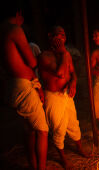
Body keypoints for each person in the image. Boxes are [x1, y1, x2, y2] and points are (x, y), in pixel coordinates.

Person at [0, 5, 48, 170]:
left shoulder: (0, 31)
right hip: (22, 85)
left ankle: (34, 166)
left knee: (30, 131)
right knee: (42, 130)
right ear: (18, 13)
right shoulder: (14, 30)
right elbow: (32, 62)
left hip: (11, 85)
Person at [38, 26, 89, 169]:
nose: (61, 38)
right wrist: (65, 54)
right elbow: (60, 73)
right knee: (59, 129)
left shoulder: (66, 55)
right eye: (57, 35)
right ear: (50, 37)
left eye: (63, 35)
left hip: (67, 96)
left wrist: (73, 82)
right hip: (53, 97)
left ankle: (79, 148)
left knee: (73, 123)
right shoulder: (45, 56)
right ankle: (63, 158)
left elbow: (73, 73)